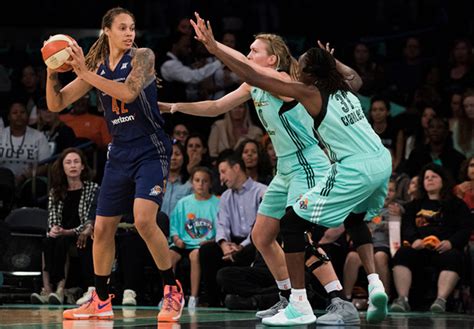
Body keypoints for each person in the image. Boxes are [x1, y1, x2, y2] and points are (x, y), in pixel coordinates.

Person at [189, 13, 391, 325]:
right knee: (262, 235)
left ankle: (336, 301)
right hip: (294, 167)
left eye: (255, 50)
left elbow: (252, 73)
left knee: (299, 231)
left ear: (273, 58)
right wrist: (174, 107)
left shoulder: (287, 83)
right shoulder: (329, 87)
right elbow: (218, 104)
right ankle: (291, 298)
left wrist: (214, 47)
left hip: (308, 164)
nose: (249, 53)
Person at [44, 7, 184, 322]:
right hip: (119, 152)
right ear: (106, 30)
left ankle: (171, 289)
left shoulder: (142, 57)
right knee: (103, 228)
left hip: (150, 148)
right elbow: (56, 103)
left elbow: (128, 92)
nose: (129, 33)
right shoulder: (95, 66)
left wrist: (85, 72)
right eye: (122, 27)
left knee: (144, 220)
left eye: (131, 27)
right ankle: (101, 300)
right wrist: (52, 70)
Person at [390, 164, 472, 312]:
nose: (430, 180)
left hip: (444, 249)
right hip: (420, 249)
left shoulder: (457, 205)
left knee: (454, 257)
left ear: (443, 181)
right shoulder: (413, 205)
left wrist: (451, 242)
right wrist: (415, 240)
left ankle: (440, 301)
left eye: (434, 176)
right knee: (403, 253)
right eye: (427, 177)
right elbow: (407, 226)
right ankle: (402, 299)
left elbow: (465, 228)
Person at [30, 148, 97, 305]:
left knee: (61, 242)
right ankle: (47, 290)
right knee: (48, 240)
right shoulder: (56, 191)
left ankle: (60, 290)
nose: (72, 165)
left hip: (81, 234)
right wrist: (54, 228)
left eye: (76, 162)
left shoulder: (92, 189)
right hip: (63, 233)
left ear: (82, 167)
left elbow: (90, 219)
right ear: (63, 167)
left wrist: (70, 231)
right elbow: (53, 216)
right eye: (68, 162)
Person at [168, 166, 220, 311]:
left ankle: (193, 297)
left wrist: (211, 241)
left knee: (195, 256)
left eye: (205, 181)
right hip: (183, 243)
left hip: (201, 245)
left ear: (210, 183)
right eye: (197, 180)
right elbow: (174, 225)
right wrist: (177, 238)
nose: (201, 184)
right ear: (192, 182)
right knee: (169, 256)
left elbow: (220, 228)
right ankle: (169, 296)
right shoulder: (183, 203)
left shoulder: (216, 203)